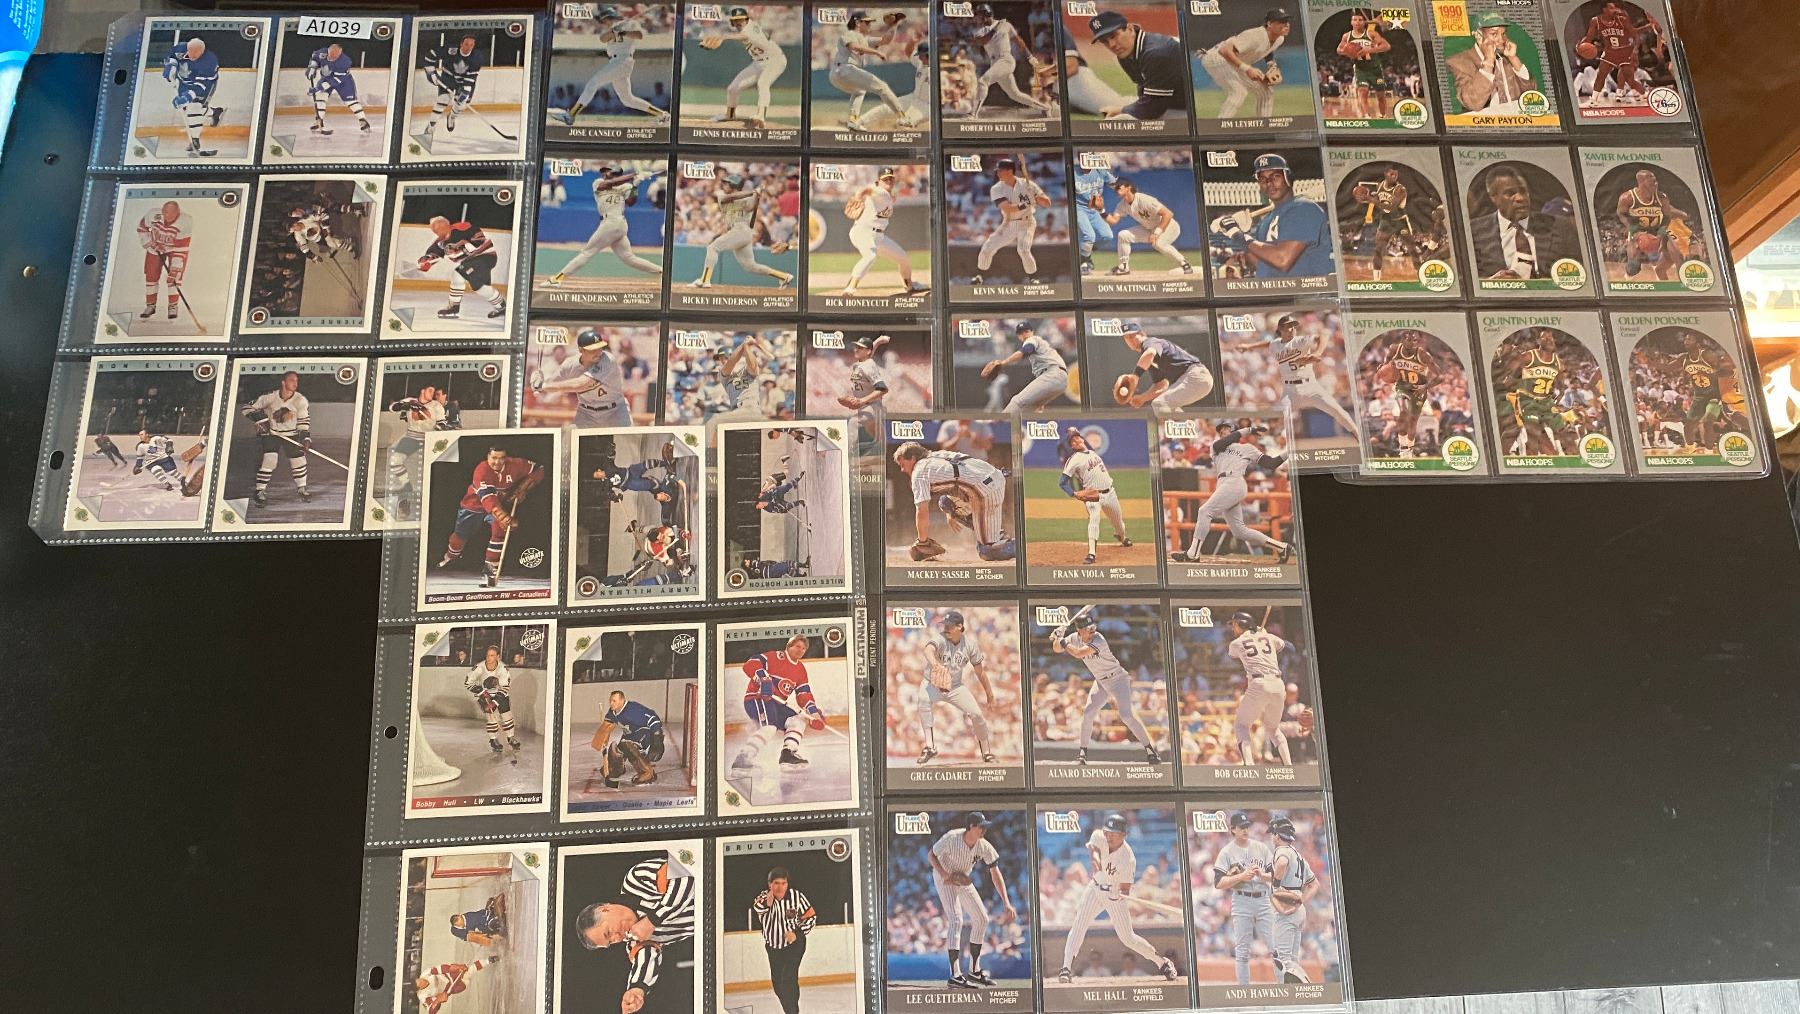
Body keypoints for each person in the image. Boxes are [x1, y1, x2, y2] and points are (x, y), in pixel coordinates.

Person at [1467, 164, 1582, 280]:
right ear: (1493, 197)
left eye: (1523, 191)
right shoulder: (1473, 232)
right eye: (1510, 193)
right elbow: (1467, 279)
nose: (1520, 198)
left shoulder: (1559, 226)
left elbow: (1581, 274)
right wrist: (1492, 283)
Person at [1443, 13, 1540, 114]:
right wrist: (1488, 61)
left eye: (1503, 34)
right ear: (1479, 36)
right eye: (1494, 34)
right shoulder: (1458, 62)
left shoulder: (1506, 58)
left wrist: (1513, 58)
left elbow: (1531, 93)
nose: (1501, 40)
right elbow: (1473, 103)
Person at [754, 867, 816, 1014]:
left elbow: (811, 916)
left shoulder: (796, 896)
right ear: (770, 884)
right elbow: (758, 907)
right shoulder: (763, 897)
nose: (780, 887)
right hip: (773, 948)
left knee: (788, 978)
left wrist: (797, 933)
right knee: (778, 985)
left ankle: (792, 1012)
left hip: (794, 945)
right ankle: (791, 1010)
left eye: (783, 883)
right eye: (776, 883)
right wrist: (768, 903)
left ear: (787, 884)